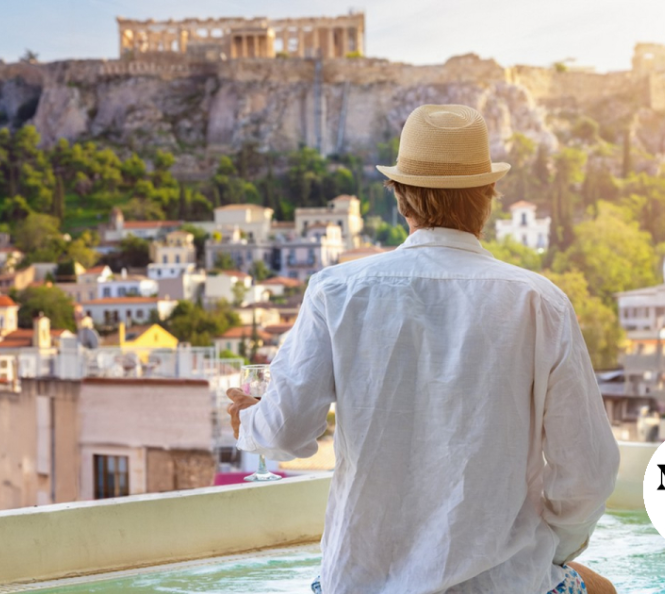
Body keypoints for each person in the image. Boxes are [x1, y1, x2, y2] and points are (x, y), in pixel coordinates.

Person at [227, 104, 620, 594]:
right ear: (488, 197)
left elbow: (285, 432)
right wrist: (550, 552)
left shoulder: (336, 291)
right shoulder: (540, 301)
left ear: (399, 196)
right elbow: (589, 472)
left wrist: (250, 423)